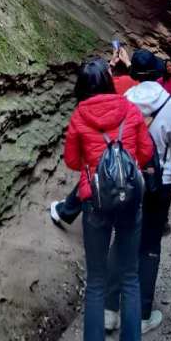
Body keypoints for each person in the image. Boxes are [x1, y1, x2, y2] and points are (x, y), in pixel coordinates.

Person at [62, 58, 154, 341]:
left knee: (97, 284)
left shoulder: (78, 116)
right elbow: (145, 152)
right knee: (130, 279)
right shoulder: (129, 110)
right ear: (108, 81)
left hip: (95, 203)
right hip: (129, 201)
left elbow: (72, 161)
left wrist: (96, 164)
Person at [105, 49, 171, 336]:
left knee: (122, 240)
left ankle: (109, 312)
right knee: (150, 245)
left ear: (135, 74)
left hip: (127, 179)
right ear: (158, 73)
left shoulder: (124, 101)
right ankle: (141, 316)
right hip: (158, 182)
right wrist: (164, 163)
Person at [50, 45, 138, 228]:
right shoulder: (128, 93)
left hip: (96, 161)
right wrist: (126, 64)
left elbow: (72, 160)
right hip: (123, 152)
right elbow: (140, 86)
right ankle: (66, 211)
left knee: (92, 178)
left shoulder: (81, 114)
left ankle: (65, 212)